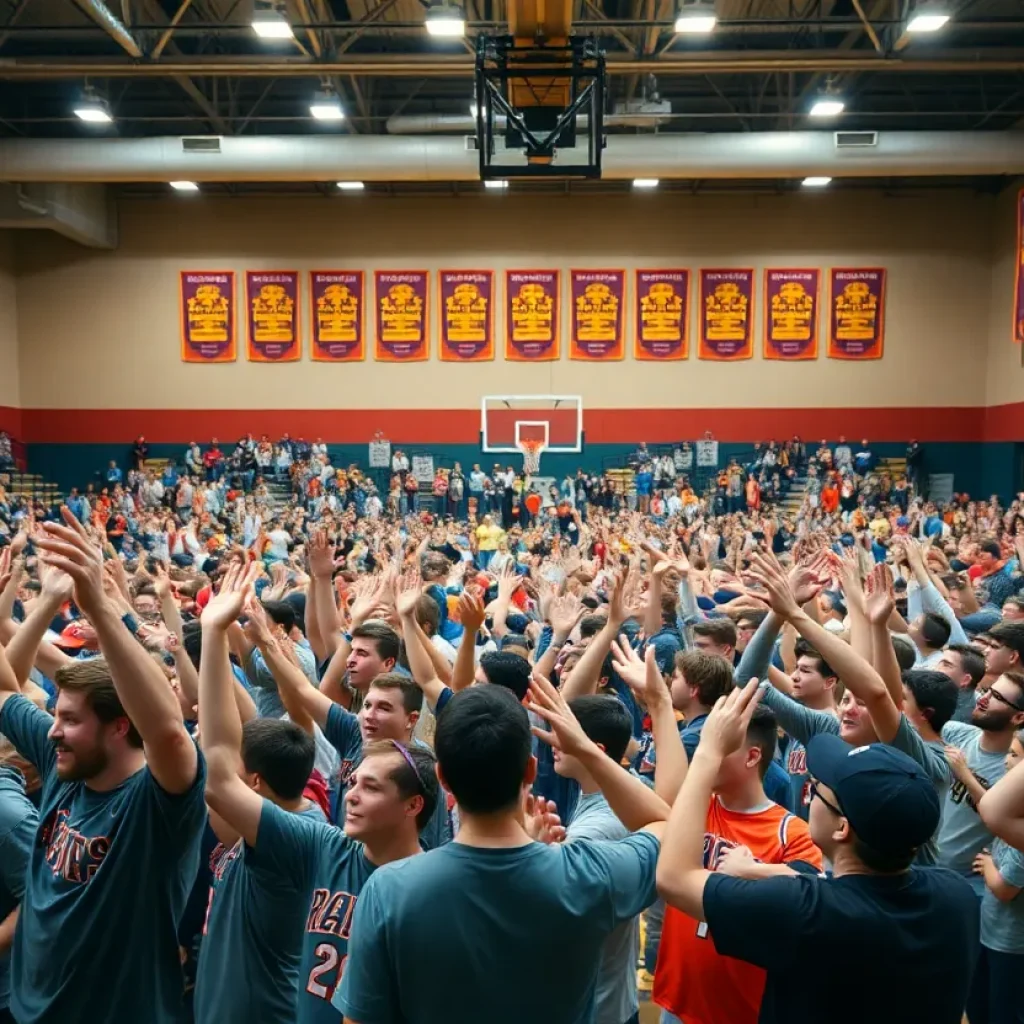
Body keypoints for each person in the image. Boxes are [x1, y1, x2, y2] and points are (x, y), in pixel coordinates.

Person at [334, 681, 667, 1024]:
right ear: (531, 771)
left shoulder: (388, 890)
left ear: (443, 779)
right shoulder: (589, 874)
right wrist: (589, 751)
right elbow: (662, 823)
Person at [657, 681, 980, 1024]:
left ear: (843, 829)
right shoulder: (955, 896)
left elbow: (674, 879)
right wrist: (766, 870)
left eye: (819, 788)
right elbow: (837, 887)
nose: (810, 790)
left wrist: (707, 753)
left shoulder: (803, 910)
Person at [197, 568, 439, 1024]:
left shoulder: (433, 885)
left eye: (370, 787)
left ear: (413, 805)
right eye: (354, 782)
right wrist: (212, 633)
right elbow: (221, 774)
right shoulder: (324, 845)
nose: (351, 794)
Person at [0, 509, 207, 1023]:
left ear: (119, 726)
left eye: (70, 719)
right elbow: (5, 687)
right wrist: (47, 600)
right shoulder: (62, 760)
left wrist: (100, 606)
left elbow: (166, 731)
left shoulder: (158, 802)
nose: (52, 730)